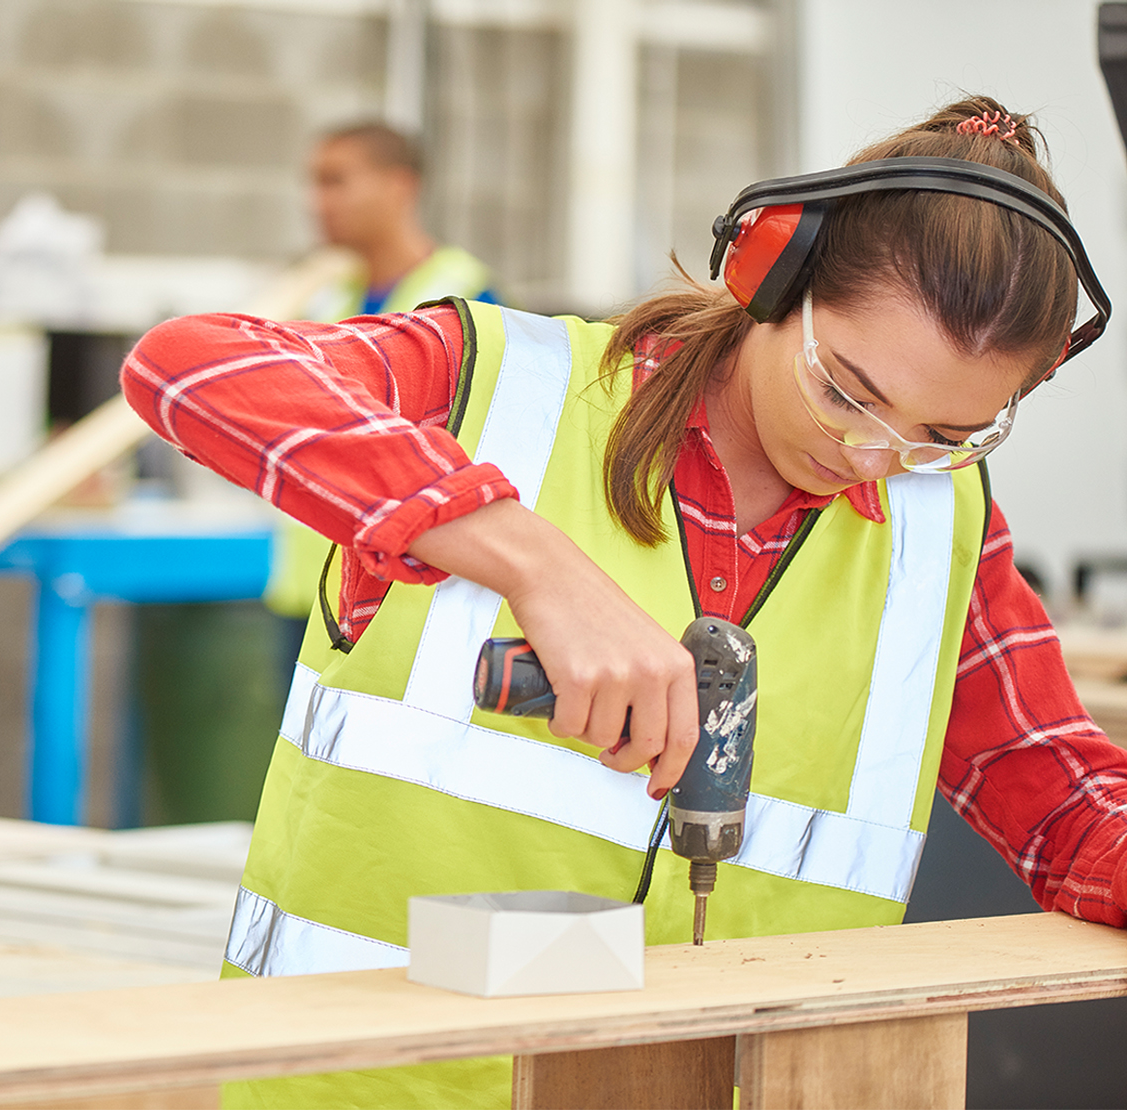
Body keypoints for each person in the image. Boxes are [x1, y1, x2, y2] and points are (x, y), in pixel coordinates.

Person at [121, 97, 1127, 1109]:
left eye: (942, 431)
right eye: (847, 391)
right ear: (774, 277)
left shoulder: (934, 524)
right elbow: (193, 365)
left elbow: (1063, 803)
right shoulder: (498, 388)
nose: (873, 454)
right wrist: (535, 567)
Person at [267, 122, 500, 624]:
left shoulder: (469, 299)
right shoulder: (324, 296)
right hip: (312, 588)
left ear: (400, 186)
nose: (318, 202)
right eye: (314, 184)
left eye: (336, 181)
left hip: (402, 595)